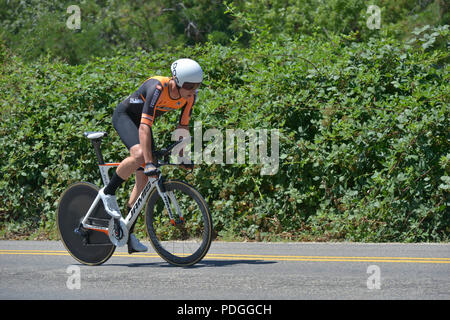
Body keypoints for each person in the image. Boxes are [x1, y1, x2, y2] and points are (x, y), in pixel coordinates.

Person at [98, 58, 203, 253]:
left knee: (144, 180)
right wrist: (148, 162)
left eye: (196, 86)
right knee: (140, 156)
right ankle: (108, 192)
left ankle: (127, 233)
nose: (192, 90)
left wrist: (182, 156)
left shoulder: (190, 97)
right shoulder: (157, 87)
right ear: (176, 81)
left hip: (143, 125)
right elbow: (145, 126)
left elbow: (183, 127)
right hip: (126, 117)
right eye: (188, 85)